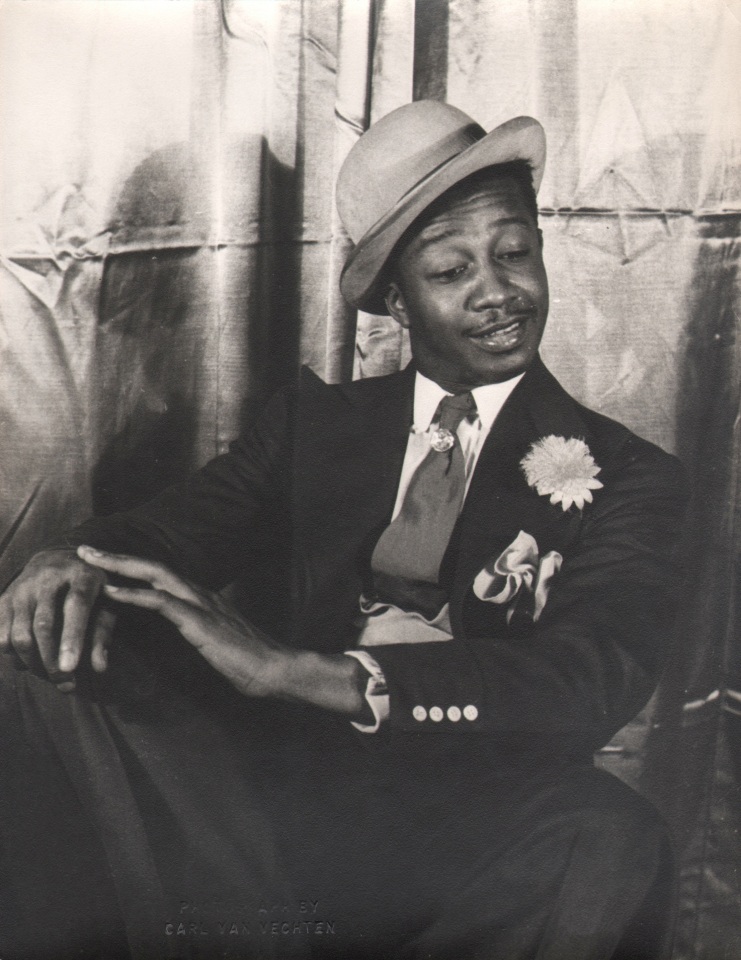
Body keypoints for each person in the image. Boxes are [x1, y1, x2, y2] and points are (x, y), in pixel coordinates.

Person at [0, 102, 688, 960]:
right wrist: (66, 558)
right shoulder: (311, 427)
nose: (496, 291)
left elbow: (583, 678)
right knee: (55, 643)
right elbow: (165, 537)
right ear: (395, 300)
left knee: (609, 833)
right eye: (450, 270)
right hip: (264, 797)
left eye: (513, 253)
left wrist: (297, 671)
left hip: (474, 823)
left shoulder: (630, 476)